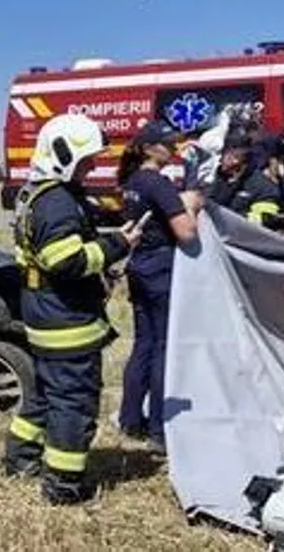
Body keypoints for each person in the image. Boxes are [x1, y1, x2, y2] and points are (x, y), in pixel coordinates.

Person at [0, 112, 142, 505]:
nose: (93, 166)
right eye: (86, 160)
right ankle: (63, 487)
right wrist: (118, 247)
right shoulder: (58, 201)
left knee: (45, 395)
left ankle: (19, 460)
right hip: (65, 320)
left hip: (44, 312)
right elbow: (66, 262)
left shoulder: (39, 192)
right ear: (63, 156)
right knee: (73, 404)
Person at [114, 120, 201, 454]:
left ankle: (130, 419)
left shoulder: (132, 182)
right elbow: (186, 233)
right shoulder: (159, 184)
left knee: (143, 344)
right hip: (162, 270)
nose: (174, 149)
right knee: (164, 348)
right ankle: (158, 430)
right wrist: (190, 204)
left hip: (139, 267)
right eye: (169, 144)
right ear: (151, 148)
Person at [207, 132, 284, 229]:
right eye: (225, 154)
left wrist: (234, 220)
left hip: (241, 236)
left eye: (234, 155)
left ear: (245, 158)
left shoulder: (261, 185)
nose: (228, 159)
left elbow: (265, 217)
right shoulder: (211, 178)